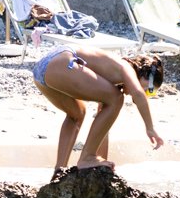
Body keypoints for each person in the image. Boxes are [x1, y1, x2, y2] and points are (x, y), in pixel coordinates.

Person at [31, 46, 165, 172]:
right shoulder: (126, 67)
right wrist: (150, 128)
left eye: (150, 94)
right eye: (149, 90)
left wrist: (102, 164)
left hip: (43, 70)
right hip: (63, 62)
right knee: (117, 98)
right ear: (144, 74)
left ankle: (59, 169)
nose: (146, 94)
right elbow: (138, 94)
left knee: (77, 114)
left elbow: (102, 125)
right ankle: (87, 157)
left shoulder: (110, 82)